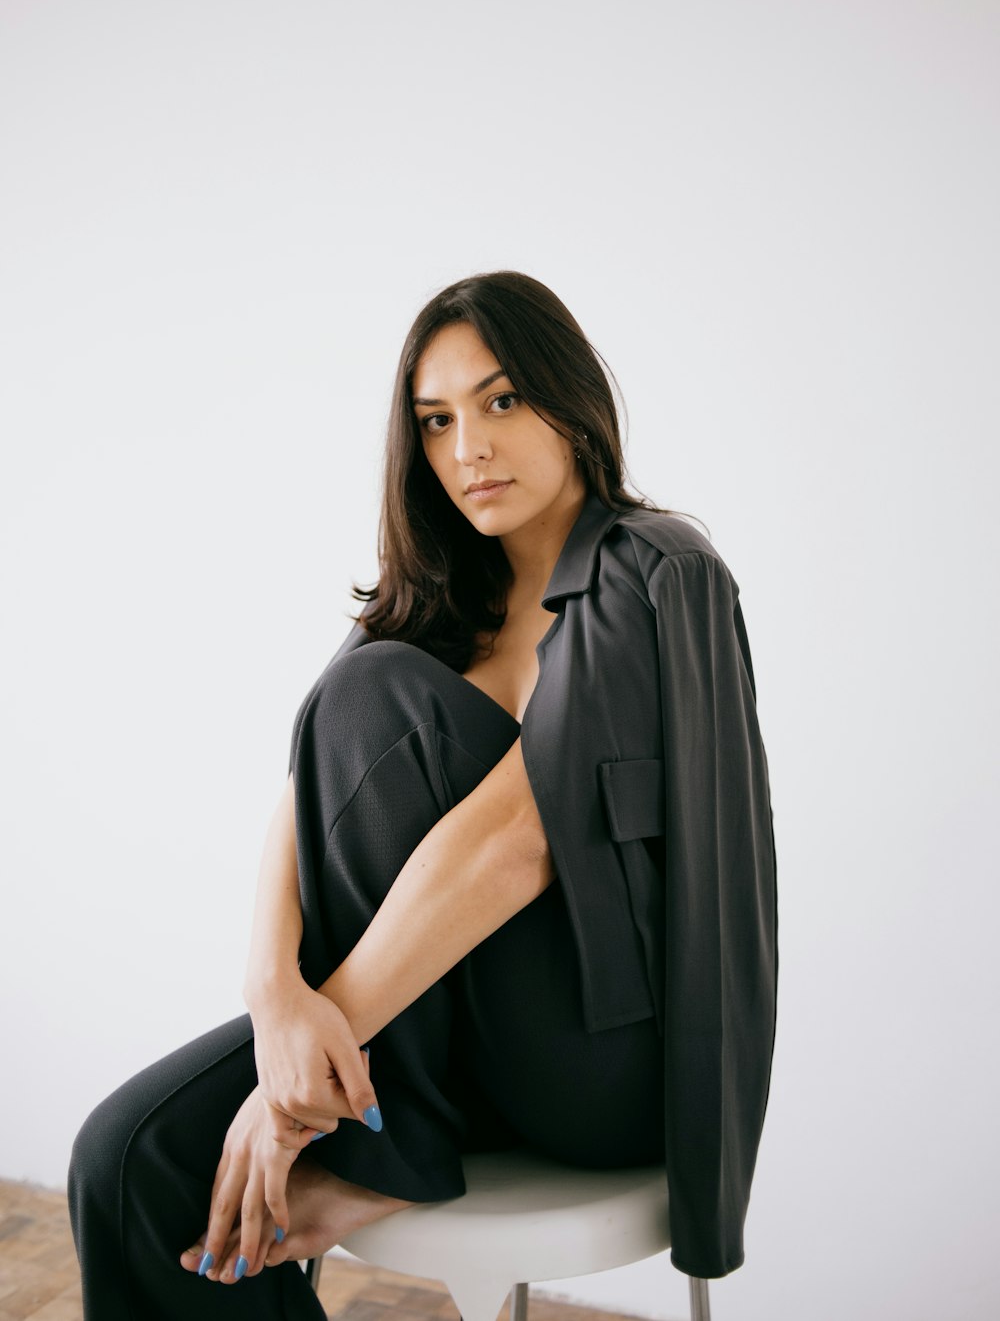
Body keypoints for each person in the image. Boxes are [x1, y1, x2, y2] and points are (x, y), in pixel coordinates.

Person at [69, 270, 778, 1317]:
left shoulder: (648, 572)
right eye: (436, 421)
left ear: (571, 402)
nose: (469, 450)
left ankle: (378, 1147)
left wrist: (294, 1099)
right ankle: (377, 1120)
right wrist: (274, 999)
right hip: (438, 1040)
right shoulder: (441, 591)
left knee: (375, 689)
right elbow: (307, 796)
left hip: (603, 1061)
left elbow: (516, 845)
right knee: (128, 1158)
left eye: (501, 402)